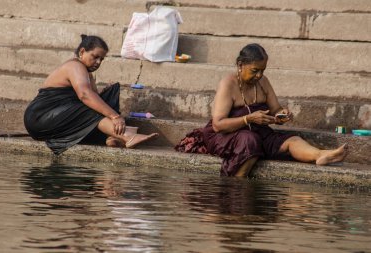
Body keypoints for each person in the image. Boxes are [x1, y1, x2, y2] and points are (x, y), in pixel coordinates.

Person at [175, 43, 348, 177]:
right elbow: (218, 125)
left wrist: (282, 114)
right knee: (249, 140)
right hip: (225, 136)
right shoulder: (228, 84)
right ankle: (238, 182)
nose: (258, 75)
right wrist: (248, 119)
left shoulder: (263, 82)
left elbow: (275, 109)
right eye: (254, 71)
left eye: (262, 71)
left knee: (292, 140)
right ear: (240, 65)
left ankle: (321, 155)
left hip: (259, 131)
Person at [24, 35, 158, 155]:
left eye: (102, 59)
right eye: (95, 57)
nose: (98, 62)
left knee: (109, 95)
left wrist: (103, 95)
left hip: (60, 116)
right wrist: (115, 116)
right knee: (92, 107)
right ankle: (126, 136)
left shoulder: (87, 73)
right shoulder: (74, 66)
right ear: (82, 52)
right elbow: (84, 95)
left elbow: (94, 97)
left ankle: (111, 137)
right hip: (40, 118)